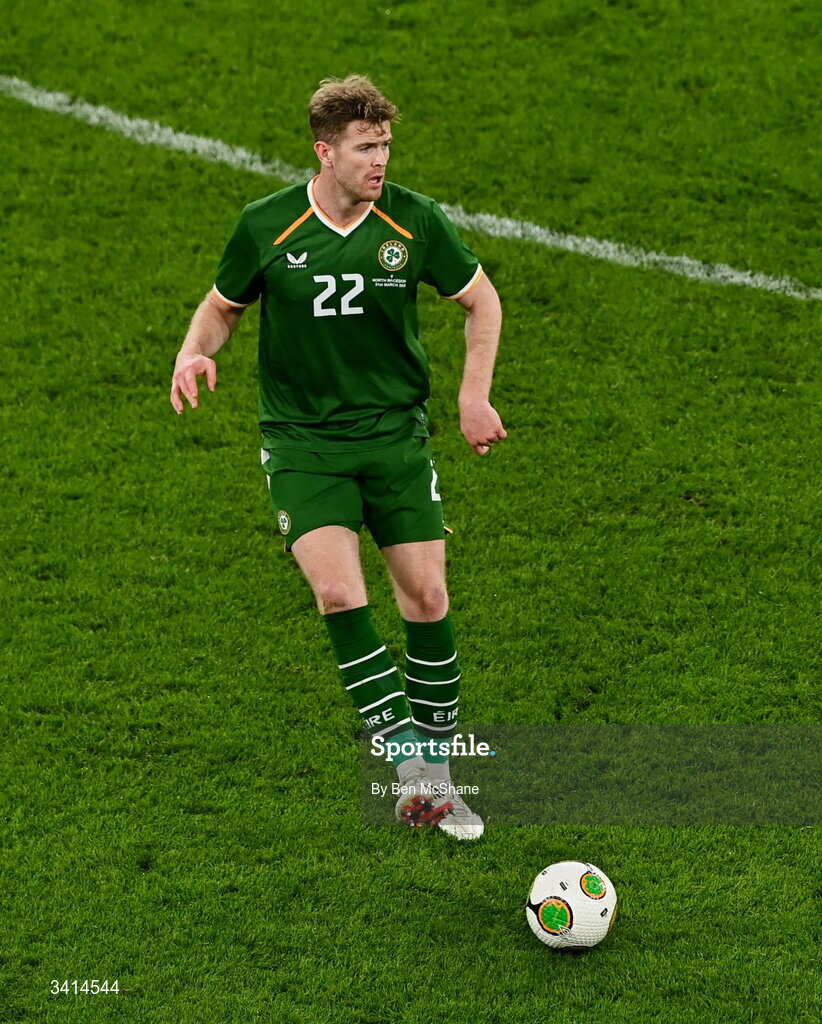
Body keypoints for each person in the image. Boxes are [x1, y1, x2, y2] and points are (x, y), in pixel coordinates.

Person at [170, 75, 505, 840]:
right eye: (364, 148)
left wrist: (471, 396)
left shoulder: (414, 220)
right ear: (325, 152)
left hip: (392, 435)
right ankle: (413, 769)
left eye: (384, 145)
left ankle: (441, 769)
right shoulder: (269, 225)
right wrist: (194, 351)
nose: (379, 160)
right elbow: (223, 308)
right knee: (337, 593)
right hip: (303, 442)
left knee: (425, 596)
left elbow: (480, 300)